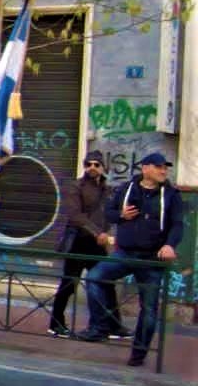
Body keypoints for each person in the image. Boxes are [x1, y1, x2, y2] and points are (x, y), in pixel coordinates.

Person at [76, 153, 183, 368]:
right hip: (124, 254)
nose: (164, 171)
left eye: (165, 168)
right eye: (159, 167)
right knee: (94, 277)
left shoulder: (171, 195)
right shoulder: (126, 189)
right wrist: (121, 215)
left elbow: (177, 224)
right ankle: (100, 327)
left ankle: (139, 353)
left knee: (149, 309)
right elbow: (109, 213)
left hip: (151, 259)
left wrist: (170, 245)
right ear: (145, 168)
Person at [50, 150, 127, 339]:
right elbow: (76, 216)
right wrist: (97, 232)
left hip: (97, 244)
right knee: (69, 283)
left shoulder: (108, 189)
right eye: (88, 164)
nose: (92, 167)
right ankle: (56, 324)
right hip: (78, 240)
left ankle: (114, 326)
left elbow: (111, 213)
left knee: (107, 283)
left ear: (103, 167)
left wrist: (108, 232)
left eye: (96, 164)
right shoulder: (74, 186)